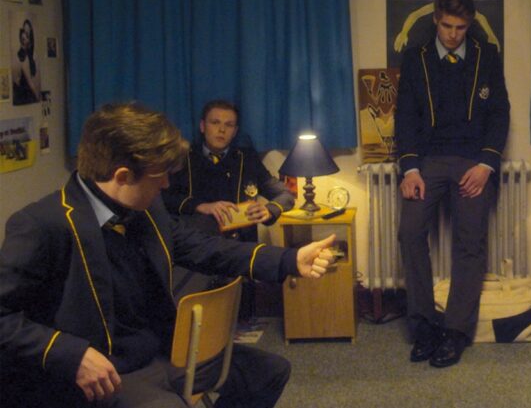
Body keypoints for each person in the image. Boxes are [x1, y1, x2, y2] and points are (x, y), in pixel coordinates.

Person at [0, 102, 337, 407]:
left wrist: (289, 260)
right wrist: (71, 354)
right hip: (108, 371)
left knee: (268, 372)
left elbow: (205, 248)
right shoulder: (42, 225)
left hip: (162, 351)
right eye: (160, 175)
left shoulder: (146, 210)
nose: (165, 185)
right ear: (122, 176)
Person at [395, 0, 510, 368]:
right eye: (446, 26)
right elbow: (405, 116)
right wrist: (410, 168)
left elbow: (500, 113)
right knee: (410, 232)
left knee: (470, 241)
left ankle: (456, 331)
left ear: (470, 24)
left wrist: (486, 164)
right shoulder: (415, 58)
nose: (453, 34)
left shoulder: (486, 55)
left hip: (473, 160)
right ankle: (424, 326)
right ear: (435, 20)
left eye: (460, 27)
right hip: (427, 160)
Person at [164, 99, 295, 241]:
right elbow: (164, 198)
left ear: (235, 132)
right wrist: (199, 206)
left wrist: (269, 210)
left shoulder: (247, 159)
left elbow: (285, 194)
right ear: (202, 126)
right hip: (196, 241)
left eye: (229, 125)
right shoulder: (184, 157)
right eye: (215, 122)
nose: (222, 130)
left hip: (242, 243)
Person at [12, 19, 41, 105]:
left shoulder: (31, 54)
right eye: (25, 32)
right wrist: (37, 98)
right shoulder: (23, 56)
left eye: (28, 34)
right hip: (24, 96)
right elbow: (29, 82)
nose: (26, 37)